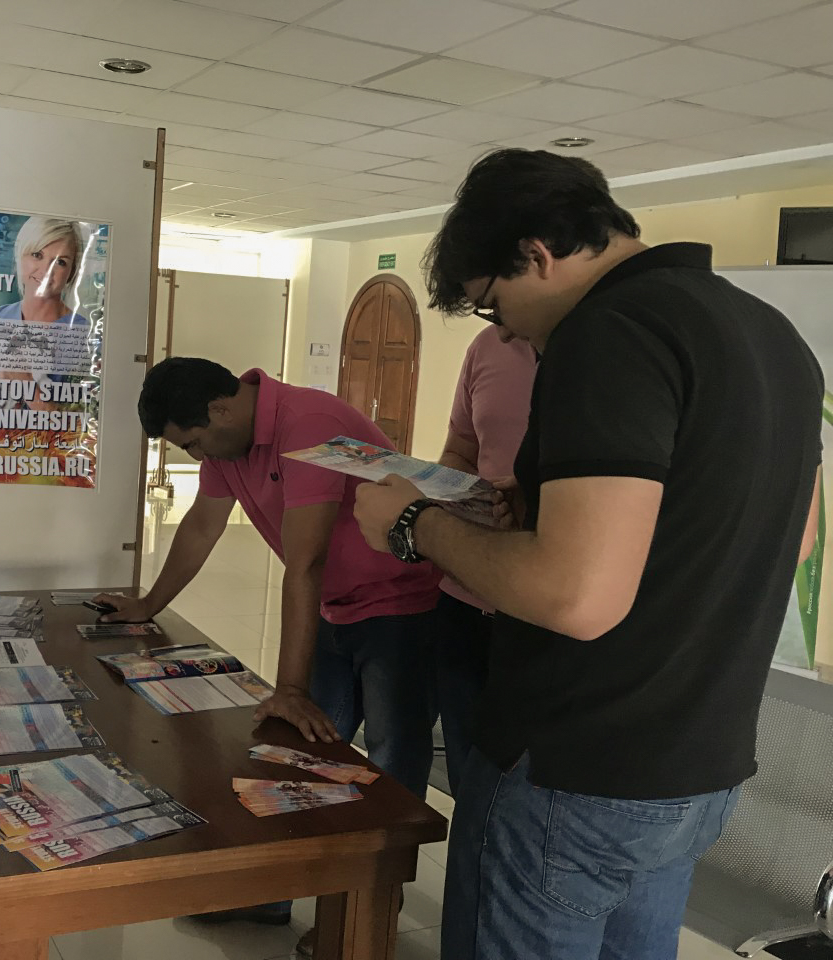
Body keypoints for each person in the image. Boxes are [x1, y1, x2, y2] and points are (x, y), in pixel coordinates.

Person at [352, 148, 823, 960]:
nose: (511, 337)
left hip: (578, 764)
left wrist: (415, 524)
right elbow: (792, 536)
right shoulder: (771, 333)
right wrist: (543, 520)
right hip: (698, 765)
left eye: (496, 308)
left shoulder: (608, 333)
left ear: (537, 253)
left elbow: (576, 598)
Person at [96, 358, 441, 945]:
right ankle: (271, 895)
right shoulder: (232, 448)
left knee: (389, 764)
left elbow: (302, 564)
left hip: (400, 608)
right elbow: (202, 527)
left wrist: (290, 687)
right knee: (288, 752)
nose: (198, 457)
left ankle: (367, 918)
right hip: (335, 605)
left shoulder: (309, 425)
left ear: (220, 409)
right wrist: (148, 603)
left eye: (196, 442)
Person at [434, 324, 536, 801]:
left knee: (524, 791)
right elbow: (460, 450)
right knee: (465, 767)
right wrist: (448, 497)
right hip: (465, 597)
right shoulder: (489, 344)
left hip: (540, 607)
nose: (499, 317)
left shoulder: (603, 345)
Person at [0, 216, 88, 328]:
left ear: (71, 272)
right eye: (37, 255)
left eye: (60, 262)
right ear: (20, 257)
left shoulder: (84, 332)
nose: (46, 270)